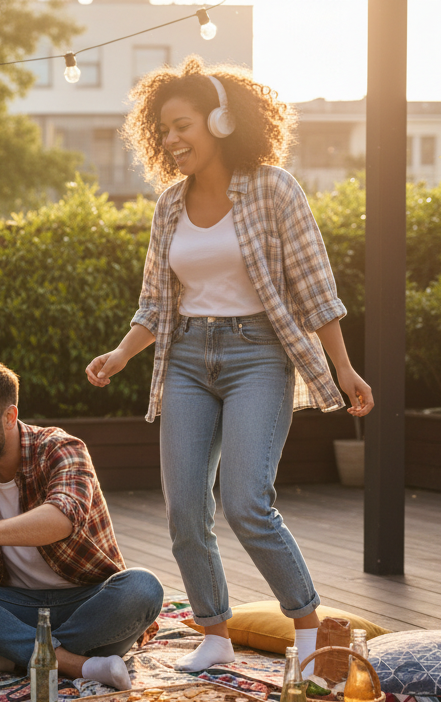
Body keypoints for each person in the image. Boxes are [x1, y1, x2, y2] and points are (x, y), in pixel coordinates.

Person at [85, 56, 374, 673]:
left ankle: (307, 634)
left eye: (182, 125)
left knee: (246, 502)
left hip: (258, 358)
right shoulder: (169, 205)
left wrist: (344, 369)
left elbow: (317, 290)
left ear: (220, 120)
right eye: (162, 130)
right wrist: (119, 354)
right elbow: (155, 305)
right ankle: (213, 633)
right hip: (187, 358)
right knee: (185, 507)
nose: (171, 139)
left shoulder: (274, 188)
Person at [0, 360, 163, 691]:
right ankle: (78, 663)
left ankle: (15, 656)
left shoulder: (61, 449)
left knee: (144, 588)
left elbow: (63, 517)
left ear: (9, 416)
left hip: (87, 605)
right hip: (18, 608)